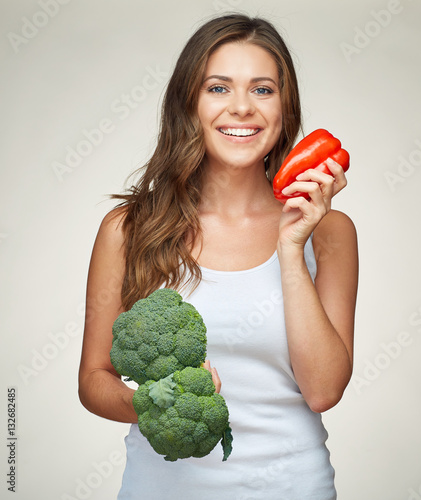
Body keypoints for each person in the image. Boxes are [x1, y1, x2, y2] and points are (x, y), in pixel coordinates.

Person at [78, 13, 358, 500]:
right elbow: (93, 380)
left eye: (263, 90)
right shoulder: (129, 229)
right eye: (219, 88)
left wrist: (291, 249)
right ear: (190, 102)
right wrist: (159, 404)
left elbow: (323, 391)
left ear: (285, 107)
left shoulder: (329, 233)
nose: (243, 108)